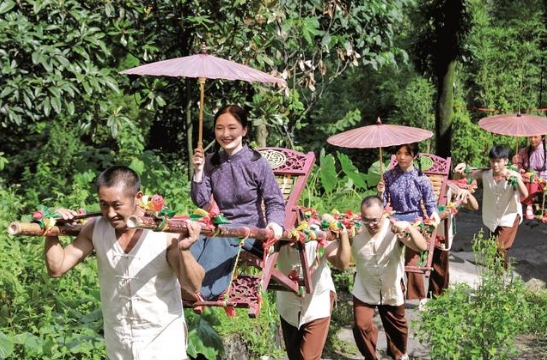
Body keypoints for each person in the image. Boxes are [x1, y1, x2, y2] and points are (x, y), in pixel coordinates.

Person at [44, 165, 205, 360]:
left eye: (116, 205)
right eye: (104, 205)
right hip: (119, 342)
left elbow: (193, 285)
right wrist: (52, 230)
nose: (110, 213)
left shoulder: (164, 233)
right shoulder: (94, 229)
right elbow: (56, 268)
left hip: (163, 342)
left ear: (138, 198)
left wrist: (185, 250)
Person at [190, 104, 285, 301]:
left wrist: (274, 225)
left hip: (251, 234)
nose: (225, 134)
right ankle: (183, 284)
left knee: (223, 235)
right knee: (194, 234)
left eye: (232, 128)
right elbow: (201, 201)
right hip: (222, 227)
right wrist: (199, 171)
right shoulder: (211, 161)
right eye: (219, 128)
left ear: (244, 129)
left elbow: (274, 200)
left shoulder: (257, 163)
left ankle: (203, 291)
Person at [336, 195, 427, 360]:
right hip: (365, 285)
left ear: (384, 214)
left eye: (374, 220)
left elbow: (422, 246)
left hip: (391, 286)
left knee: (397, 329)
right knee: (361, 325)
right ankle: (371, 357)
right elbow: (329, 223)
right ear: (360, 215)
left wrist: (408, 227)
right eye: (366, 219)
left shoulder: (394, 229)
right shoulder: (354, 229)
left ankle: (398, 354)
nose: (370, 224)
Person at [276, 217, 350, 360]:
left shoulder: (316, 233)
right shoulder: (275, 236)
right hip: (288, 307)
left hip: (317, 303)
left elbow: (342, 263)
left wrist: (344, 234)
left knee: (309, 357)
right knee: (295, 356)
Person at [377, 143, 440, 301]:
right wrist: (380, 193)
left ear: (414, 155)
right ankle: (395, 291)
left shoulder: (421, 178)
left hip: (415, 219)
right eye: (399, 153)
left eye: (407, 153)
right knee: (388, 254)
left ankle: (418, 297)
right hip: (395, 218)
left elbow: (430, 203)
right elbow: (382, 205)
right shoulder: (388, 176)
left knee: (413, 259)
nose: (402, 157)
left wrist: (434, 215)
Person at [454, 144, 528, 268]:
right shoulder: (486, 174)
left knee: (500, 247)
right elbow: (464, 176)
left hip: (510, 216)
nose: (495, 165)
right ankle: (497, 276)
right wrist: (460, 168)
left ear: (506, 161)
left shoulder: (513, 175)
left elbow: (525, 194)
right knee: (494, 248)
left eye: (498, 161)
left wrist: (517, 180)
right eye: (493, 161)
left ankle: (501, 275)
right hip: (492, 217)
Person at [428, 182, 479, 296]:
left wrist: (467, 194)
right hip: (422, 230)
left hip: (441, 233)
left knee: (439, 267)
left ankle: (437, 298)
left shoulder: (451, 188)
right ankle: (421, 297)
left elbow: (474, 206)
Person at [512, 134, 547, 219]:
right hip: (530, 180)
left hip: (544, 179)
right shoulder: (524, 151)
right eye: (530, 137)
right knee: (530, 178)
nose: (532, 139)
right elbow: (518, 166)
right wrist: (517, 164)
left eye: (535, 137)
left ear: (542, 137)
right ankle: (529, 206)